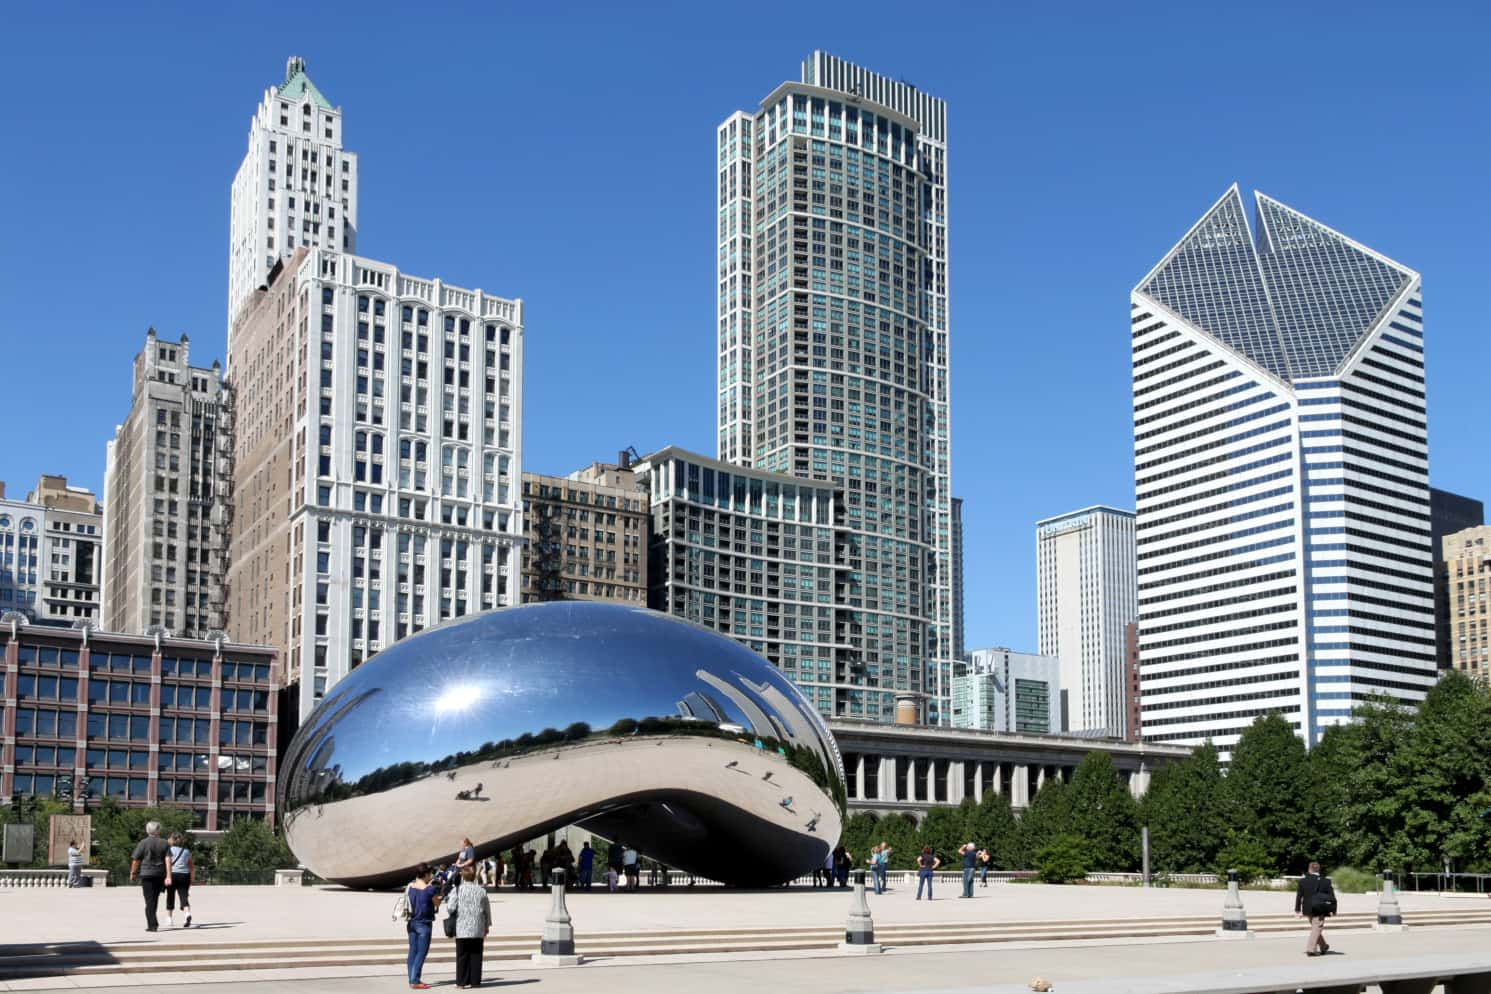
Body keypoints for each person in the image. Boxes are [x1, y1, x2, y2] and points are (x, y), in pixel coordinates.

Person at [445, 863, 491, 989]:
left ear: (463, 877)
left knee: (462, 956)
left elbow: (450, 908)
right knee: (476, 954)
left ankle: (461, 983)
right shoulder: (482, 890)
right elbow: (487, 910)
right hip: (477, 927)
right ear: (474, 876)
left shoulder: (457, 890)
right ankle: (475, 981)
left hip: (462, 928)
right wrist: (487, 926)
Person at [128, 821, 172, 931]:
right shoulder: (164, 843)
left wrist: (133, 873)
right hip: (159, 874)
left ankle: (152, 925)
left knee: (149, 900)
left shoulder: (143, 842)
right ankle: (153, 923)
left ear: (147, 830)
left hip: (146, 874)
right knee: (154, 900)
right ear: (158, 830)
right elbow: (168, 860)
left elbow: (136, 859)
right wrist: (168, 875)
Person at [405, 862, 441, 990]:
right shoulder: (429, 889)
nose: (431, 876)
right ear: (425, 874)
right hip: (424, 924)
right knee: (421, 953)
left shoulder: (410, 887)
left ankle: (412, 978)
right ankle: (415, 981)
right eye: (430, 874)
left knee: (412, 952)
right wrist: (437, 891)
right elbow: (437, 903)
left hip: (411, 922)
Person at [1295, 861, 1334, 956]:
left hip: (1307, 909)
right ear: (1318, 869)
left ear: (1309, 869)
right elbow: (1331, 897)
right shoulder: (1326, 881)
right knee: (1316, 928)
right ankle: (1311, 949)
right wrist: (1332, 909)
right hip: (1320, 908)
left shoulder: (1302, 881)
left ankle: (1324, 946)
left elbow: (1299, 896)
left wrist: (1297, 910)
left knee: (1315, 928)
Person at [164, 832, 195, 927]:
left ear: (171, 840)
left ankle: (169, 918)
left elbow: (167, 863)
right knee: (183, 895)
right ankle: (187, 913)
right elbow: (191, 866)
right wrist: (192, 878)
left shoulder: (168, 850)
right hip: (184, 875)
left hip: (172, 874)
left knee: (170, 895)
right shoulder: (186, 851)